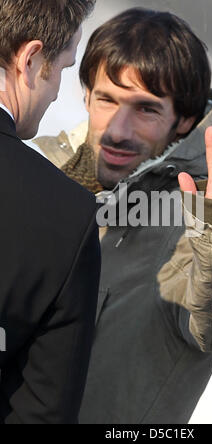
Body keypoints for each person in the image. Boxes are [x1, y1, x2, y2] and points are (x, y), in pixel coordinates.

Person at [35, 8, 212, 424]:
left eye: (146, 109)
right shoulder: (39, 174)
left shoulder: (207, 214)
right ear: (85, 96)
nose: (118, 129)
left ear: (184, 119)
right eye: (107, 99)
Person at [0, 0, 101, 424]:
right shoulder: (69, 215)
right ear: (30, 59)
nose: (58, 88)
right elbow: (43, 412)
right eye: (62, 67)